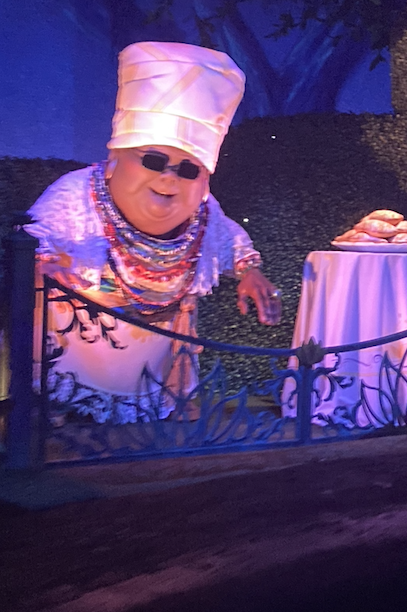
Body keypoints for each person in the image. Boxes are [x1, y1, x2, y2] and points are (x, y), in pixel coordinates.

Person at [25, 41, 281, 417]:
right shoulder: (76, 194)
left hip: (152, 367)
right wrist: (41, 263)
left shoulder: (204, 212)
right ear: (118, 156)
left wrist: (250, 271)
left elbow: (230, 240)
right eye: (155, 161)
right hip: (76, 353)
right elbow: (32, 238)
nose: (169, 178)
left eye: (188, 169)